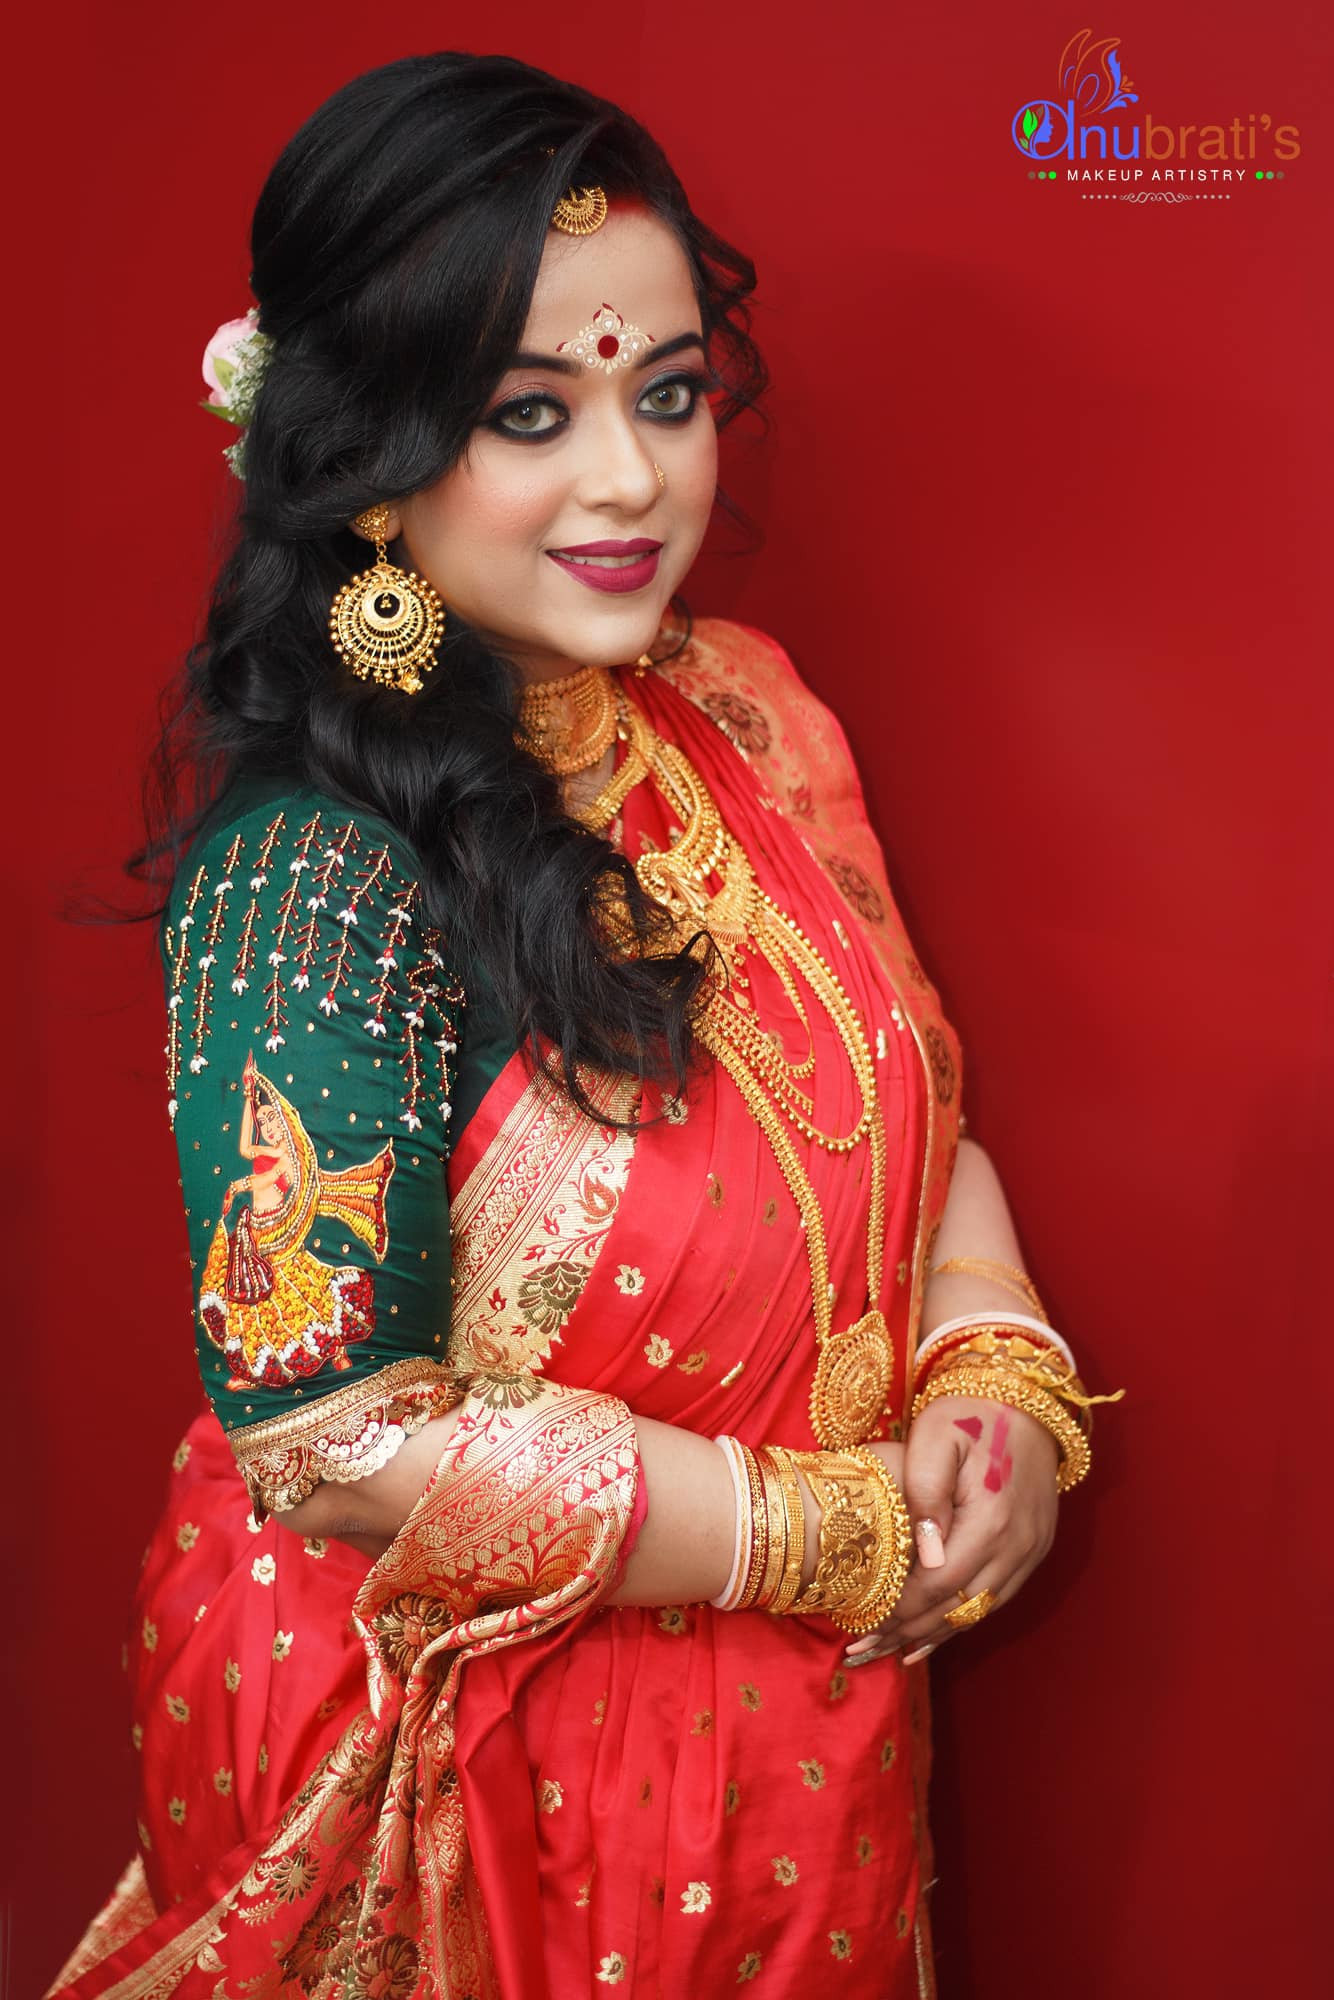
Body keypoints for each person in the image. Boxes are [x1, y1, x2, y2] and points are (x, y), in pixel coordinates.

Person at [51, 51, 1117, 2000]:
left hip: (793, 1737)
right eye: (527, 413)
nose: (633, 478)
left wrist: (998, 1372)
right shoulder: (316, 879)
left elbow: (905, 1113)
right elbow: (327, 1432)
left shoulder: (755, 720)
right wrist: (814, 1532)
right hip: (448, 1756)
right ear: (365, 453)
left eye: (668, 393)